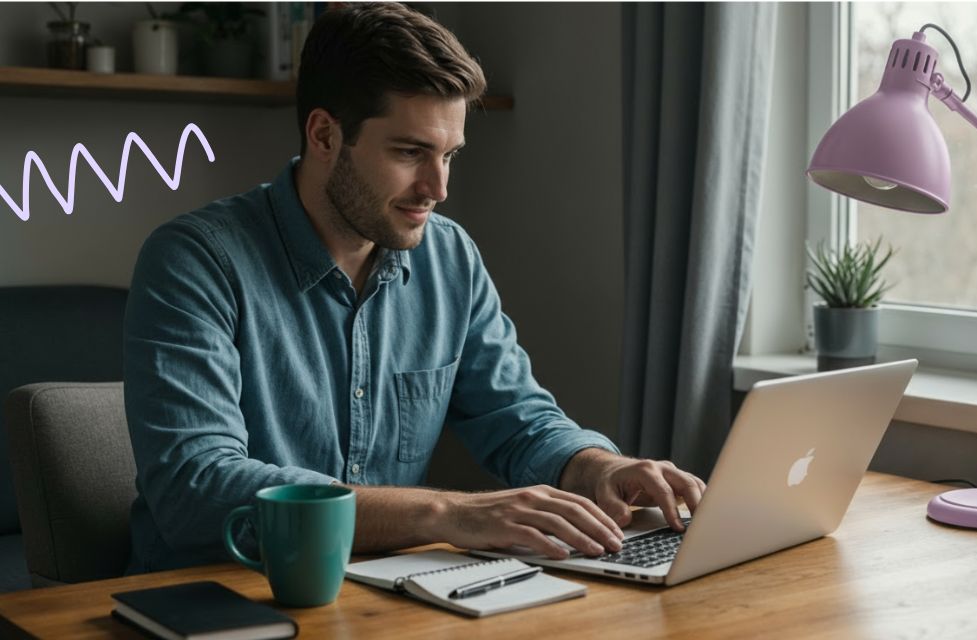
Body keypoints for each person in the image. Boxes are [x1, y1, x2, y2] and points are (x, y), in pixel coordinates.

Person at [123, 2, 704, 573]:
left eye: (449, 155)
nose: (438, 187)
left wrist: (594, 465)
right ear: (324, 135)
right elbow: (195, 486)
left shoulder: (447, 255)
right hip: (217, 596)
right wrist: (445, 512)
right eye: (410, 152)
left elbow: (515, 415)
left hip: (382, 597)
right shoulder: (196, 261)